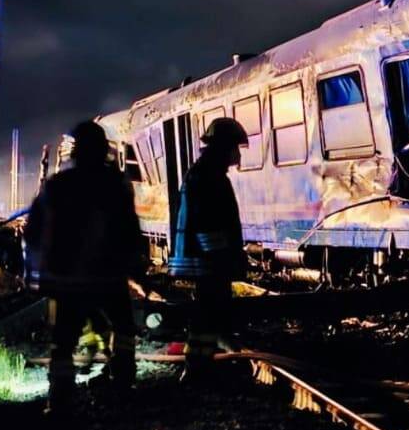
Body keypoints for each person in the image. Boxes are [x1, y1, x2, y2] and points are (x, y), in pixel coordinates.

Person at [25, 121, 144, 414]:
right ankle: (124, 383)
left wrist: (37, 272)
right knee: (124, 328)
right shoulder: (115, 184)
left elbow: (33, 231)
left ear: (74, 152)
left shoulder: (57, 185)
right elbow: (128, 229)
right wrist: (136, 267)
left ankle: (60, 399)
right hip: (108, 275)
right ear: (105, 150)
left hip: (66, 279)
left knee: (63, 342)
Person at [167, 117, 248, 383]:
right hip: (208, 260)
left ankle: (204, 363)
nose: (237, 154)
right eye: (235, 147)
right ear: (224, 147)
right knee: (208, 312)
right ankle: (198, 368)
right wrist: (223, 257)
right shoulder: (208, 176)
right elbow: (209, 221)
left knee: (209, 312)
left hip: (206, 258)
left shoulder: (204, 172)